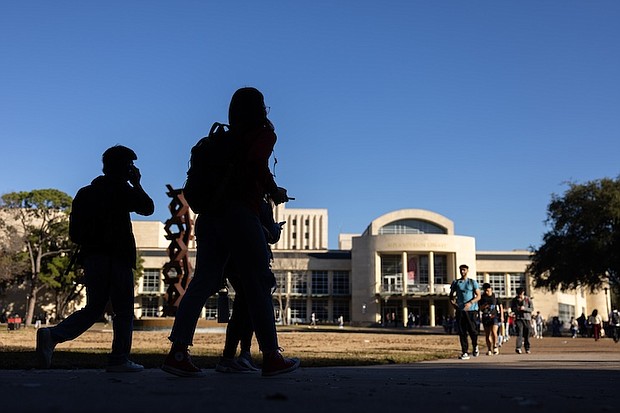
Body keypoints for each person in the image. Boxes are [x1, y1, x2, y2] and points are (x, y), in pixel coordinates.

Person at [161, 87, 300, 377]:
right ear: (260, 108)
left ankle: (177, 353)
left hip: (210, 217)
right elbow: (256, 165)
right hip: (240, 214)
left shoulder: (219, 139)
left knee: (201, 284)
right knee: (258, 283)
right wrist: (274, 190)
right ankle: (271, 356)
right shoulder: (262, 133)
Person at [36, 145, 154, 372]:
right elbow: (148, 208)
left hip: (93, 258)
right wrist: (136, 183)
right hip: (117, 257)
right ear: (126, 167)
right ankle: (119, 358)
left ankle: (53, 335)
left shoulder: (85, 193)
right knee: (124, 311)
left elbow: (75, 233)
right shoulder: (122, 190)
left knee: (94, 307)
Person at [215, 199, 283, 373]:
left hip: (232, 262)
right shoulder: (260, 204)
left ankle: (236, 355)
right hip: (251, 261)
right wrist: (276, 229)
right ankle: (236, 355)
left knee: (243, 307)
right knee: (247, 308)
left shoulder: (231, 203)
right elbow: (270, 235)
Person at [449, 264, 481, 360]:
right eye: (461, 270)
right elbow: (451, 296)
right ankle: (465, 352)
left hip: (471, 310)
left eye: (464, 270)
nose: (462, 272)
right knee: (462, 332)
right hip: (460, 310)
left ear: (467, 270)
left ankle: (475, 346)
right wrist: (453, 304)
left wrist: (471, 303)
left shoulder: (472, 282)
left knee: (473, 331)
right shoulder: (456, 282)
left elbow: (478, 296)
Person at [478, 283, 502, 355]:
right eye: (485, 291)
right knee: (487, 334)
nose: (486, 292)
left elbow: (500, 306)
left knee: (494, 332)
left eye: (488, 291)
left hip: (494, 316)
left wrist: (502, 316)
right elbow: (479, 308)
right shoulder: (482, 297)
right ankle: (489, 349)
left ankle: (495, 346)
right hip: (485, 317)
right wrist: (483, 306)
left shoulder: (495, 296)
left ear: (491, 289)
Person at [510, 287, 534, 354]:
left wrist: (525, 308)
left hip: (527, 318)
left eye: (520, 294)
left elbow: (532, 309)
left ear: (523, 293)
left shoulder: (527, 299)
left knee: (527, 334)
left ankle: (527, 348)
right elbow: (512, 308)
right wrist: (517, 309)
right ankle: (518, 347)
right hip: (518, 318)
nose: (519, 295)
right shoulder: (514, 300)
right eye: (518, 294)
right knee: (519, 333)